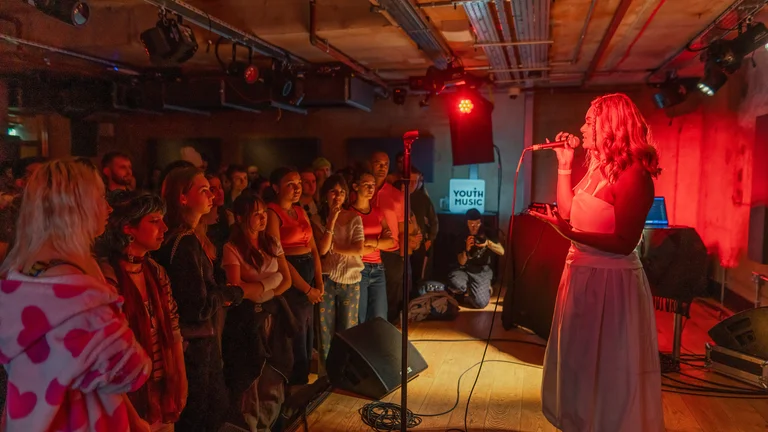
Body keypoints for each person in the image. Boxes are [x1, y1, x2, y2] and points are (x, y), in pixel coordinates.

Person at [530, 93, 664, 432]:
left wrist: (566, 233)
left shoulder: (634, 175)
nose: (582, 127)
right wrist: (564, 164)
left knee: (608, 366)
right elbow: (569, 212)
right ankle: (579, 422)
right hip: (580, 273)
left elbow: (624, 244)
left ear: (612, 126)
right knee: (578, 360)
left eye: (590, 121)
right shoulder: (596, 167)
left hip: (611, 282)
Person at [0, 159, 152, 432]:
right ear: (76, 208)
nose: (109, 208)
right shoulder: (81, 298)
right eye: (101, 198)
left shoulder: (21, 274)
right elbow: (131, 370)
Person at [154, 166, 244, 432]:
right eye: (204, 190)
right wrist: (229, 293)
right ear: (182, 198)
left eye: (212, 190)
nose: (213, 196)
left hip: (195, 343)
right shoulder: (184, 244)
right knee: (201, 417)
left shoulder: (189, 238)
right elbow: (196, 307)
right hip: (195, 347)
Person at [97, 190, 187, 431]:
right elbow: (107, 354)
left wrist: (180, 377)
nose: (165, 228)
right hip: (127, 394)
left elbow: (173, 326)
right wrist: (131, 416)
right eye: (155, 221)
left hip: (161, 389)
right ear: (128, 228)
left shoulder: (155, 272)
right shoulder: (108, 277)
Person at [221, 191, 294, 431]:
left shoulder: (271, 242)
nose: (263, 218)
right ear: (241, 218)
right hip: (247, 321)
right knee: (250, 381)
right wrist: (269, 283)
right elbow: (236, 290)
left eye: (264, 213)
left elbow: (287, 279)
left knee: (273, 378)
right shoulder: (232, 248)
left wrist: (263, 292)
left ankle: (268, 425)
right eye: (256, 214)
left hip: (273, 315)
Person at [266, 167, 323, 385]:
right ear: (275, 187)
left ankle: (303, 383)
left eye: (299, 183)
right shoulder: (272, 213)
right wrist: (307, 289)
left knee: (307, 336)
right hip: (292, 280)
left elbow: (314, 249)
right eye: (290, 184)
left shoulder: (300, 211)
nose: (297, 188)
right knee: (295, 335)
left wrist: (319, 282)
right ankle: (293, 388)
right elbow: (279, 258)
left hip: (308, 276)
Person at [312, 174, 364, 370]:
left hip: (350, 280)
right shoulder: (317, 219)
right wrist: (332, 221)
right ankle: (325, 377)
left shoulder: (354, 217)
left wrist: (334, 247)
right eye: (333, 191)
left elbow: (358, 249)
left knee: (348, 332)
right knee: (325, 333)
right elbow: (322, 249)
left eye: (342, 192)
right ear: (325, 194)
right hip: (326, 280)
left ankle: (344, 373)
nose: (338, 196)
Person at [350, 171, 394, 323]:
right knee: (359, 316)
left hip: (378, 267)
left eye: (373, 185)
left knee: (380, 316)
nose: (371, 188)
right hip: (358, 267)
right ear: (356, 187)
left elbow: (391, 241)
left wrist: (372, 242)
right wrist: (377, 241)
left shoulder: (377, 212)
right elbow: (355, 246)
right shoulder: (349, 213)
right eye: (366, 185)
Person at [446, 209, 504, 309]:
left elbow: (501, 251)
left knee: (480, 303)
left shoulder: (488, 232)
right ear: (466, 223)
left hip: (482, 271)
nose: (474, 227)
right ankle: (469, 291)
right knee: (454, 282)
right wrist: (467, 249)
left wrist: (487, 243)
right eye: (471, 224)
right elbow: (461, 262)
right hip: (465, 269)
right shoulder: (461, 235)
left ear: (481, 222)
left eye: (477, 223)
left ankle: (478, 291)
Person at [409, 167, 438, 283]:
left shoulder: (423, 199)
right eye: (409, 181)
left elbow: (434, 221)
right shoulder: (397, 196)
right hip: (401, 244)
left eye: (415, 181)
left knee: (419, 277)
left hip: (420, 245)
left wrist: (429, 240)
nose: (412, 184)